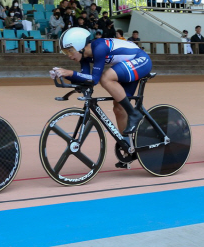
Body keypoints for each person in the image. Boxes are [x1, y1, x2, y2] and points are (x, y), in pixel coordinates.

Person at [51, 28, 152, 156]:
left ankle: (134, 114)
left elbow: (94, 79)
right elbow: (86, 79)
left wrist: (69, 72)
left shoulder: (99, 48)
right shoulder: (85, 57)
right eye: (65, 52)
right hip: (128, 65)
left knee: (105, 78)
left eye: (69, 51)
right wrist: (63, 75)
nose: (69, 56)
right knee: (119, 108)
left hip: (141, 60)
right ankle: (128, 149)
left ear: (79, 46)